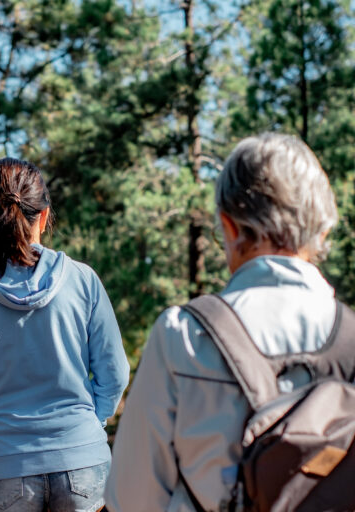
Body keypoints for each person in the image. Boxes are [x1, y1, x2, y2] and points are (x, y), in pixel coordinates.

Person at [105, 133, 340, 511]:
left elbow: (131, 499)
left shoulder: (182, 335)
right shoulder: (348, 338)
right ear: (321, 229)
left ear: (229, 227)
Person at [0, 157, 130, 512]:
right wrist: (87, 424)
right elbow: (114, 373)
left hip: (0, 463)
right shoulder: (83, 280)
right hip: (82, 459)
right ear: (44, 215)